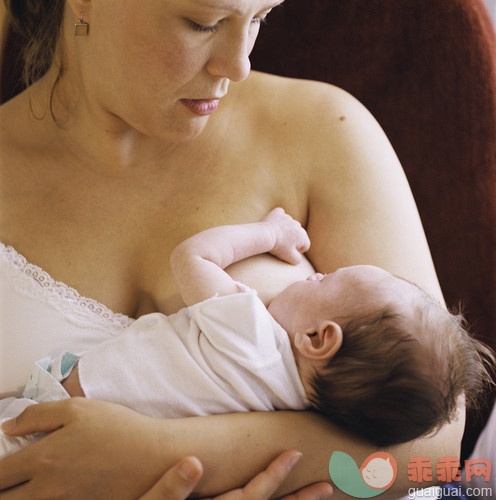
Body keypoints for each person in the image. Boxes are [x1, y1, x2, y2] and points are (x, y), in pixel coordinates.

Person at [0, 0, 467, 498]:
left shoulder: (321, 129)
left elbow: (433, 451)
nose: (239, 65)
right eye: (204, 23)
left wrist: (161, 454)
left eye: (262, 16)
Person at [1, 208, 492, 459]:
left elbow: (193, 258)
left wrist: (270, 234)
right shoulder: (289, 411)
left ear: (318, 339)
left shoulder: (251, 329)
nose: (314, 274)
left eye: (326, 279)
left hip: (43, 423)